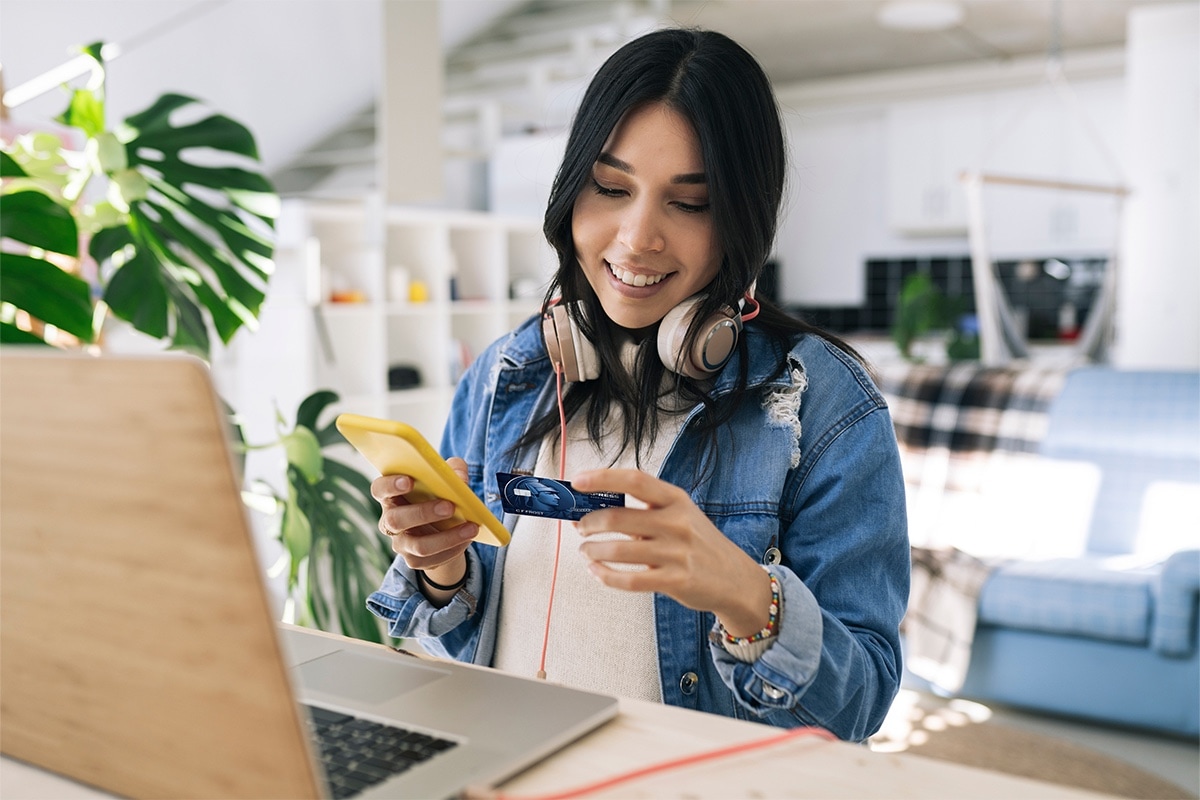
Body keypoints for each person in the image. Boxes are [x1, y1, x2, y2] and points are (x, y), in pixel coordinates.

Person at [367, 27, 909, 743]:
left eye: (689, 203)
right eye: (611, 188)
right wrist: (439, 569)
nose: (636, 237)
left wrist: (745, 594)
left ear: (741, 220)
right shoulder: (508, 374)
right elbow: (463, 653)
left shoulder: (821, 403)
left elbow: (859, 704)